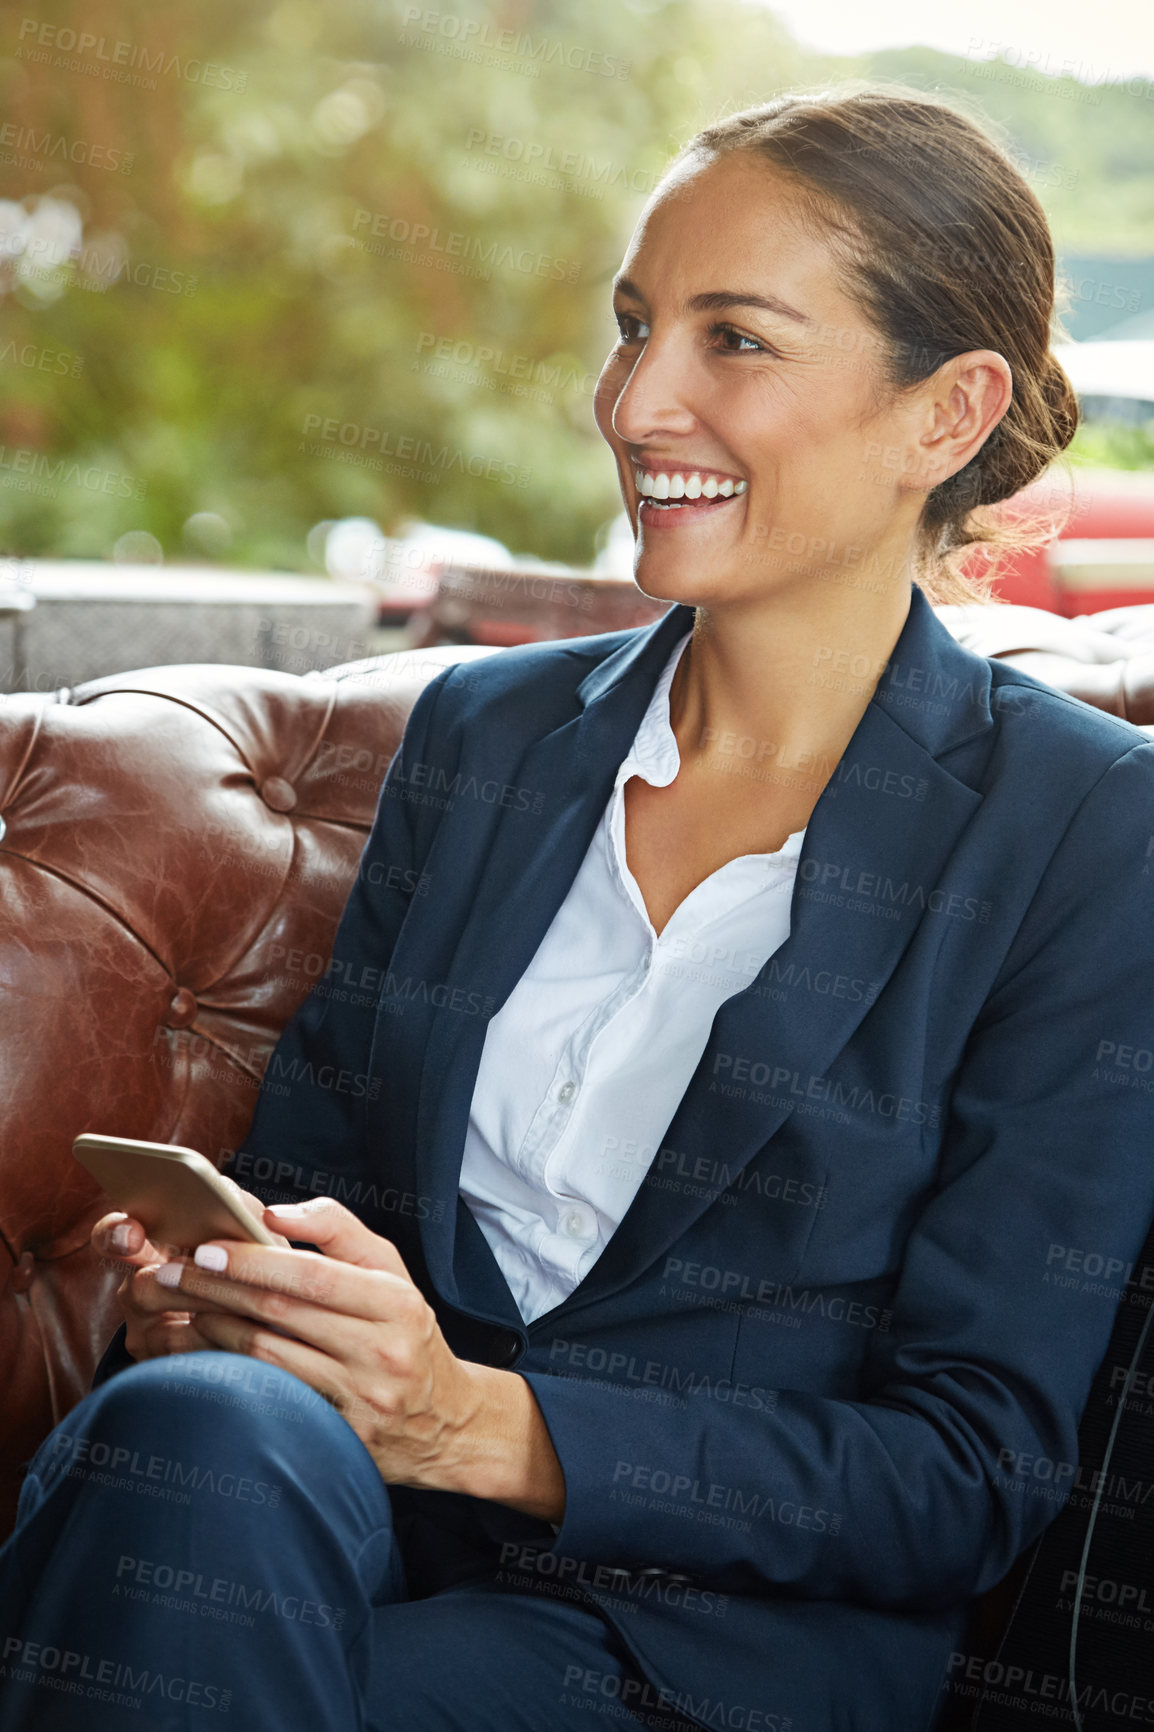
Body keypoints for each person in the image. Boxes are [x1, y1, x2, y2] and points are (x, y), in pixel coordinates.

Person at [4, 82, 1154, 1732]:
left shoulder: (1082, 832)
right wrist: (244, 1288)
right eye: (632, 329)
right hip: (319, 1529)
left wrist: (474, 1425)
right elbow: (309, 1188)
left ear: (945, 413)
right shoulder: (490, 735)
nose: (635, 401)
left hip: (695, 1648)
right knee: (196, 1427)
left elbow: (966, 1470)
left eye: (733, 340)